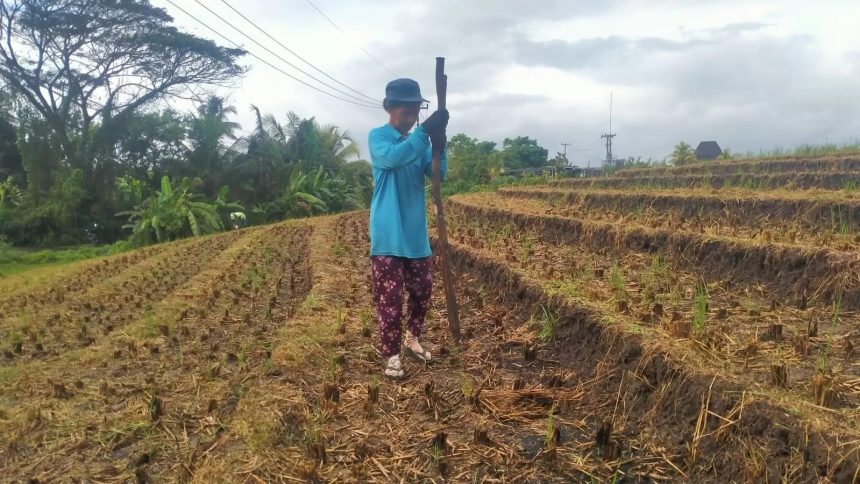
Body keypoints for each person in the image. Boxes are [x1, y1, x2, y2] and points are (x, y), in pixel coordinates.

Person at [368, 78, 449, 380]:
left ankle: (412, 338)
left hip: (416, 236)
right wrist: (425, 134)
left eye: (416, 109)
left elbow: (438, 174)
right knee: (389, 299)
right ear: (390, 107)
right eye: (406, 108)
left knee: (422, 291)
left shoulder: (421, 141)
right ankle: (391, 354)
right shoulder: (379, 138)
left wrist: (441, 146)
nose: (412, 114)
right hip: (388, 234)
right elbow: (393, 159)